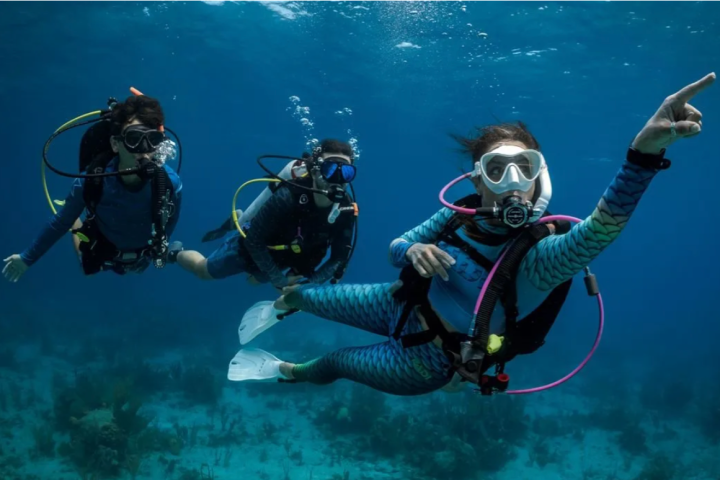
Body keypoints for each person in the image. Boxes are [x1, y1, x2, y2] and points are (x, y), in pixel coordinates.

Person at [227, 73, 715, 396]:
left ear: (540, 178)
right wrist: (414, 249)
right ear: (477, 179)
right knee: (306, 295)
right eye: (496, 170)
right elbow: (397, 247)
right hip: (395, 303)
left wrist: (642, 156)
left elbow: (601, 229)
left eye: (525, 168)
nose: (512, 182)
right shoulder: (456, 216)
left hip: (425, 364)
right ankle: (283, 306)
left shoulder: (544, 257)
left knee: (333, 362)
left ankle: (284, 371)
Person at [2, 94, 183, 281]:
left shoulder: (170, 183)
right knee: (84, 264)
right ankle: (74, 214)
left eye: (152, 139)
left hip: (141, 252)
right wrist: (26, 259)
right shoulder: (90, 180)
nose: (143, 149)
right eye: (134, 138)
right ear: (115, 143)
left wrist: (154, 250)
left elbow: (169, 221)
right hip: (103, 244)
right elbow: (59, 224)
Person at [171, 139, 358, 291]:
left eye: (346, 172)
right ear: (316, 169)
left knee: (256, 281)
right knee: (203, 271)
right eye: (330, 170)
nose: (337, 180)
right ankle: (174, 253)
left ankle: (263, 275)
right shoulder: (288, 196)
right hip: (254, 247)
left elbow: (339, 258)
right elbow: (253, 241)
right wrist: (279, 280)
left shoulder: (346, 209)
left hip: (293, 253)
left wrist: (309, 285)